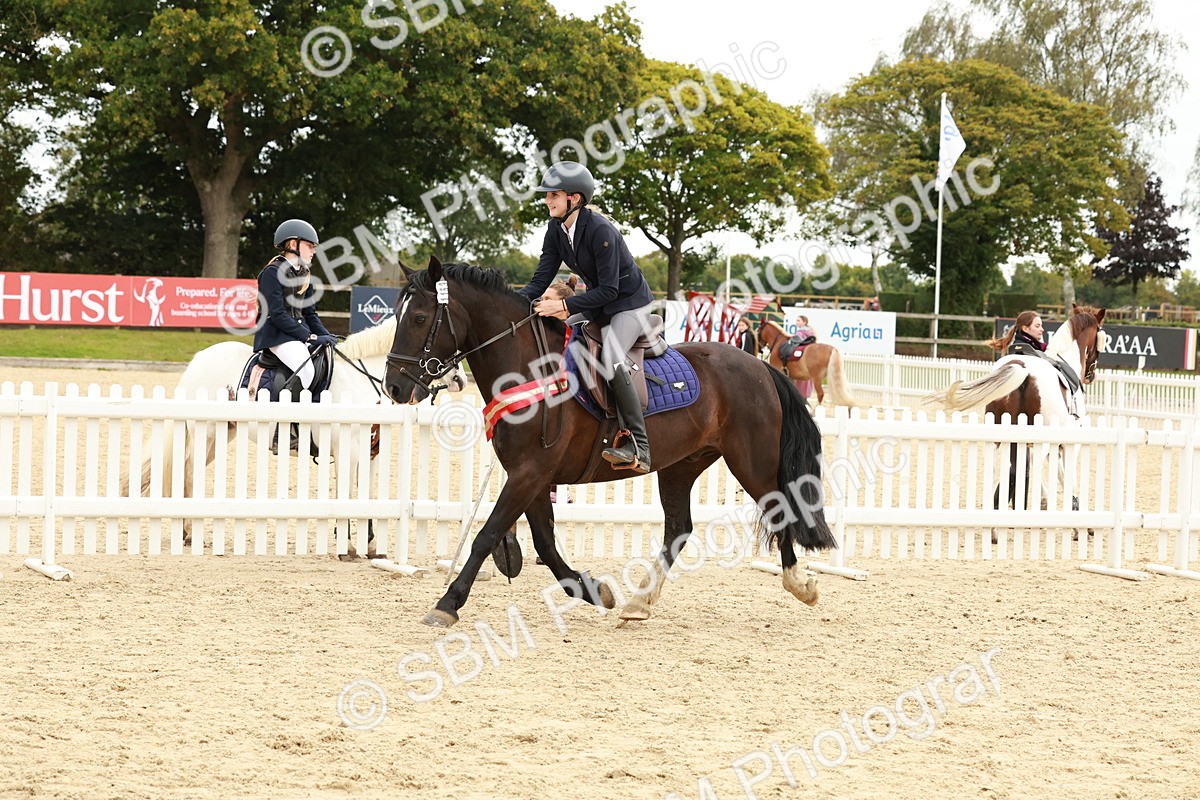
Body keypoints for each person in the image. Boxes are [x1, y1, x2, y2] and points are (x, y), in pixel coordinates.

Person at [520, 161, 655, 474]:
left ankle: (640, 444)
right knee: (556, 338)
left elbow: (610, 290)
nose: (547, 200)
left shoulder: (601, 231)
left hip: (628, 304)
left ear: (574, 198)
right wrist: (516, 304)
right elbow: (541, 279)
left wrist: (565, 308)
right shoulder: (556, 229)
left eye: (553, 194)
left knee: (611, 357)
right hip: (599, 303)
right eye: (547, 195)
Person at [253, 218, 337, 396]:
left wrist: (326, 335)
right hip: (276, 336)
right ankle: (285, 419)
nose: (313, 251)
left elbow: (310, 314)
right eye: (309, 245)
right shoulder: (271, 272)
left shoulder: (305, 274)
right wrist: (309, 337)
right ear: (293, 244)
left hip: (296, 334)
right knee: (306, 369)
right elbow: (276, 315)